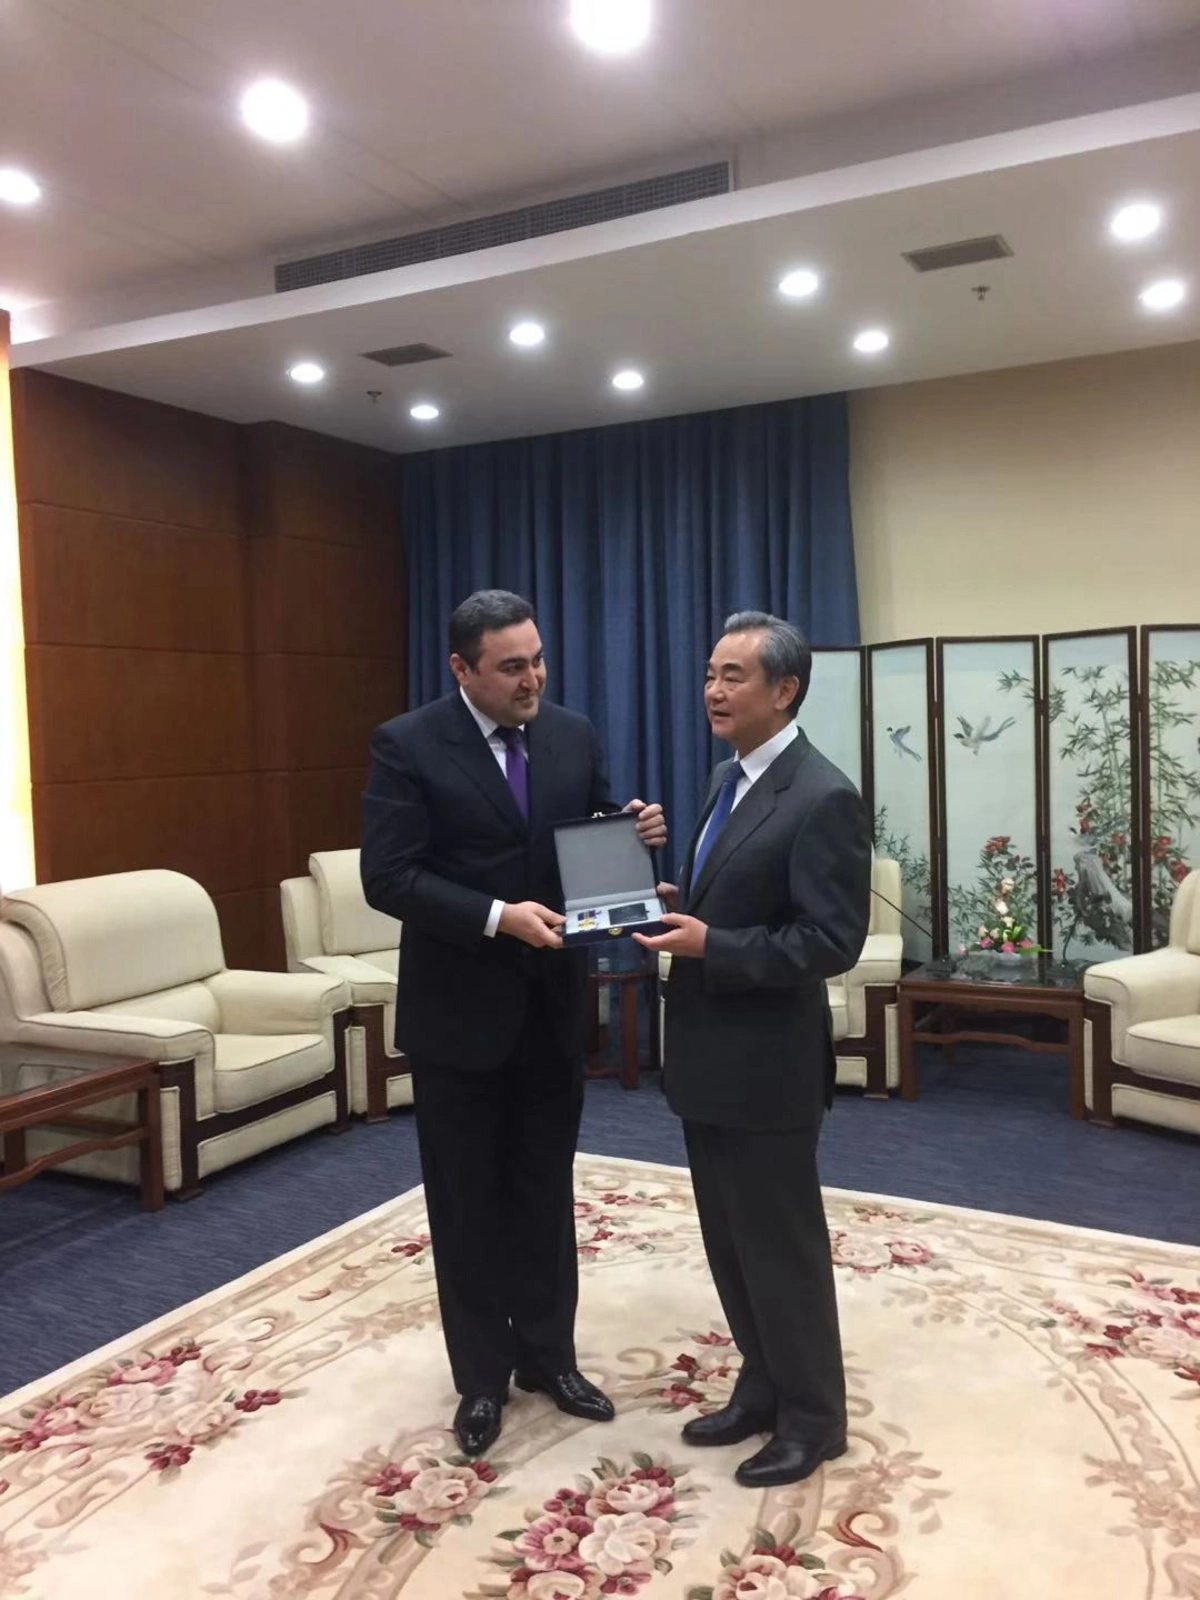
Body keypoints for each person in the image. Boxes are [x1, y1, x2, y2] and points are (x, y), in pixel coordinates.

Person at [361, 589, 666, 1458]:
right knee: (467, 1202)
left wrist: (632, 838)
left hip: (551, 1008)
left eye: (537, 660)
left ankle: (549, 1359)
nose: (532, 679)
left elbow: (584, 840)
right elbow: (389, 877)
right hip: (459, 1016)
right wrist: (498, 916)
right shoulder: (407, 745)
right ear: (462, 669)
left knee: (542, 1190)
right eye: (511, 667)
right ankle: (482, 1380)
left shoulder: (571, 733)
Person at [634, 611, 870, 1489]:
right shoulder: (724, 778)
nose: (713, 691)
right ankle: (762, 1385)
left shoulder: (822, 795)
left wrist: (714, 945)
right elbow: (735, 897)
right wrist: (681, 905)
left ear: (785, 689)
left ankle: (815, 1419)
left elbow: (830, 941)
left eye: (733, 676)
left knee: (781, 1248)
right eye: (710, 674)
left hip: (768, 1065)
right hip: (706, 1058)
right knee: (731, 1243)